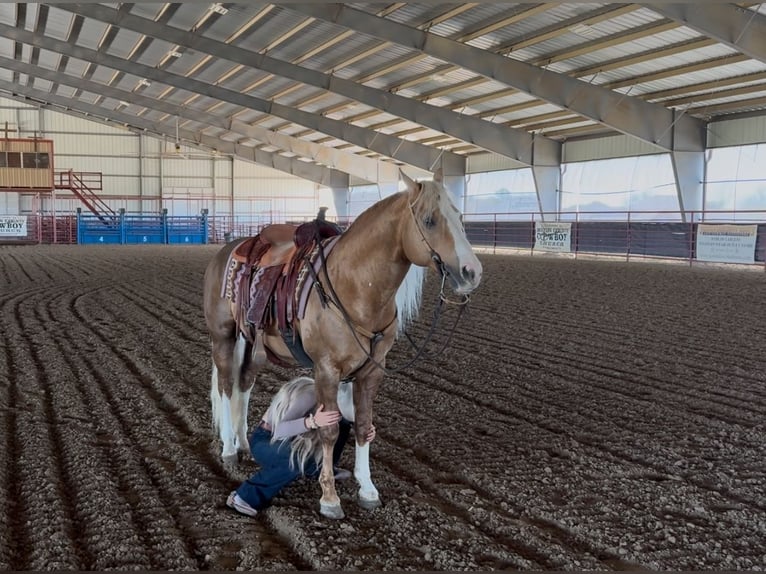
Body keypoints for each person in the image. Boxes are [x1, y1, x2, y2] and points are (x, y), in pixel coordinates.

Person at [226, 376, 376, 517]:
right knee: (295, 460)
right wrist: (312, 422)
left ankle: (321, 468)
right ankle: (243, 496)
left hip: (292, 440)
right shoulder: (309, 394)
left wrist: (366, 431)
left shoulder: (340, 401)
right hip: (266, 440)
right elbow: (279, 431)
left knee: (341, 424)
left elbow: (351, 419)